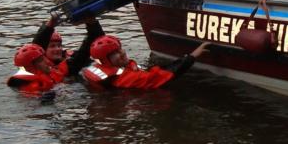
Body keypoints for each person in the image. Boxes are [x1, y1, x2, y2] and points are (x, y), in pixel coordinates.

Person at [8, 16, 104, 97]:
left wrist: (92, 23)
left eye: (59, 46)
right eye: (52, 46)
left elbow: (88, 48)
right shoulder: (29, 75)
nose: (57, 49)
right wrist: (50, 24)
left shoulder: (68, 63)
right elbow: (36, 47)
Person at [80, 35, 210, 90]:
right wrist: (192, 56)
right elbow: (158, 77)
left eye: (120, 49)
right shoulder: (122, 78)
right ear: (105, 61)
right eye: (115, 53)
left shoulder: (102, 66)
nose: (123, 53)